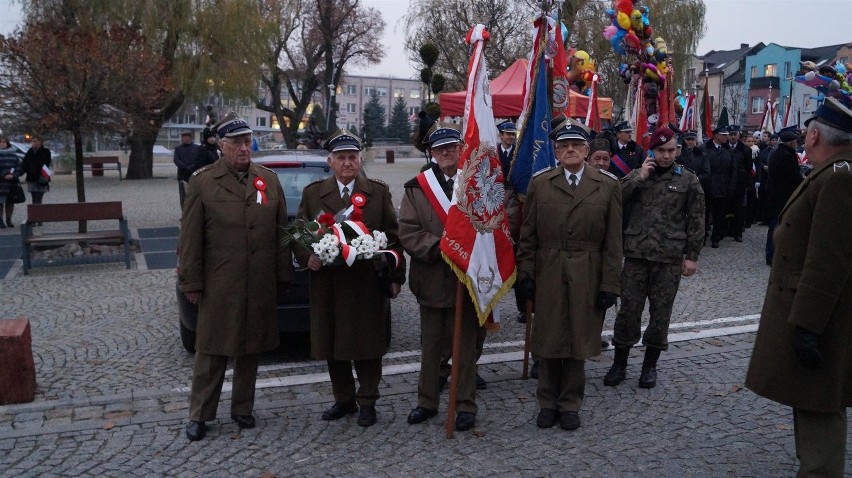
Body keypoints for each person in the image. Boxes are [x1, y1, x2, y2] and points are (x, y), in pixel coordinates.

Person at [745, 97, 852, 478]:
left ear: (816, 135)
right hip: (822, 312)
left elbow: (828, 260)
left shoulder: (839, 176)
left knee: (819, 403)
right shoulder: (834, 171)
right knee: (812, 401)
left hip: (822, 317)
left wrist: (807, 325)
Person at [178, 114, 293, 441]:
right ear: (222, 146)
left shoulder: (268, 180)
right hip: (220, 283)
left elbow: (280, 230)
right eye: (237, 143)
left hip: (258, 282)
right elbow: (190, 239)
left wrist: (282, 276)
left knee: (250, 348)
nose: (244, 148)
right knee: (211, 350)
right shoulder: (203, 181)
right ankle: (200, 414)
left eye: (247, 142)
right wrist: (192, 282)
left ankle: (242, 408)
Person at [295, 129, 406, 428]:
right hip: (329, 285)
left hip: (366, 284)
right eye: (341, 158)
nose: (347, 163)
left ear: (360, 160)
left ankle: (368, 400)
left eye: (352, 158)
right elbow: (299, 235)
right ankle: (343, 399)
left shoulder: (378, 192)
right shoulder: (313, 193)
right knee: (334, 344)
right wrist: (308, 258)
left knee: (369, 346)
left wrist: (396, 277)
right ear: (330, 161)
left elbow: (393, 238)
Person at [518, 116, 622, 430]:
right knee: (548, 338)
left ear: (587, 149)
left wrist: (610, 283)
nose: (570, 150)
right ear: (556, 151)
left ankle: (570, 403)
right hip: (549, 269)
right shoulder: (541, 183)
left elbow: (613, 241)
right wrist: (526, 275)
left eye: (576, 144)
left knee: (578, 339)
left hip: (588, 271)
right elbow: (528, 235)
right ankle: (547, 402)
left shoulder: (607, 185)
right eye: (564, 146)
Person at [398, 122, 484, 432]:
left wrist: (473, 249)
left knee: (465, 347)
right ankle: (427, 401)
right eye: (439, 149)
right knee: (431, 347)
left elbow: (492, 223)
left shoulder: (476, 184)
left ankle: (464, 405)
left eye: (451, 147)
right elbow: (407, 231)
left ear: (462, 150)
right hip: (432, 277)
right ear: (432, 153)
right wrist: (443, 247)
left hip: (468, 280)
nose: (446, 152)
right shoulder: (416, 188)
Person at [604, 126, 705, 389]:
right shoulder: (638, 175)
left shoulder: (688, 180)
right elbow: (615, 197)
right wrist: (639, 176)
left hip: (668, 259)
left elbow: (696, 220)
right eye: (661, 150)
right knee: (628, 313)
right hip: (636, 255)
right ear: (652, 151)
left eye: (671, 150)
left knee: (661, 316)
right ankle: (620, 364)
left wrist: (691, 256)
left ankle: (650, 367)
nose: (667, 155)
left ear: (678, 151)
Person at [764, 126, 803, 266]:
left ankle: (771, 254)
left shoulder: (776, 153)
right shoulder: (787, 156)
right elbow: (793, 177)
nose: (796, 144)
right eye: (795, 142)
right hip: (783, 196)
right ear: (791, 142)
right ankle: (773, 255)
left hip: (775, 194)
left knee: (774, 225)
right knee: (777, 226)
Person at [704, 126, 737, 248]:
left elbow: (733, 170)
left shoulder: (728, 151)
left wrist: (731, 186)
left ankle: (716, 238)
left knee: (719, 215)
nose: (726, 137)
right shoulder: (705, 149)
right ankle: (702, 236)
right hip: (708, 188)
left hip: (723, 188)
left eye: (726, 135)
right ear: (716, 135)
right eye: (723, 135)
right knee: (705, 214)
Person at [727, 125, 750, 241]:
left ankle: (737, 232)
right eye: (730, 134)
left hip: (739, 184)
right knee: (725, 209)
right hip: (725, 184)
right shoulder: (724, 147)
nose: (732, 137)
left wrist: (745, 182)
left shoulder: (745, 149)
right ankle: (725, 230)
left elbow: (748, 168)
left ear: (738, 135)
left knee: (738, 209)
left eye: (734, 134)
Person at [174, 130, 202, 209]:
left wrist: (192, 167)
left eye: (185, 136)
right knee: (183, 196)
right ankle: (184, 213)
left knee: (195, 194)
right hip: (182, 175)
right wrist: (185, 167)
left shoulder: (197, 148)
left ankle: (194, 212)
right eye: (182, 136)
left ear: (190, 137)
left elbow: (199, 160)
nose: (183, 138)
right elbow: (176, 160)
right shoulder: (178, 148)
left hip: (194, 174)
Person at [21, 135, 51, 209]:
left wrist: (34, 166)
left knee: (39, 197)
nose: (33, 143)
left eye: (35, 141)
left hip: (41, 177)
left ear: (40, 142)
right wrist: (29, 169)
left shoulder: (45, 151)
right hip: (32, 177)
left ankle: (38, 215)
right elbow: (25, 163)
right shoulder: (30, 152)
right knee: (34, 197)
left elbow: (44, 163)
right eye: (33, 141)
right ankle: (35, 215)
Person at [0, 137, 22, 228]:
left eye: (4, 142)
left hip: (12, 183)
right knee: (0, 203)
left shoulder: (14, 155)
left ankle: (9, 219)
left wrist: (14, 175)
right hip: (1, 182)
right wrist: (4, 174)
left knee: (10, 202)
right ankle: (0, 220)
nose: (2, 144)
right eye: (0, 142)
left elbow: (19, 167)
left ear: (7, 144)